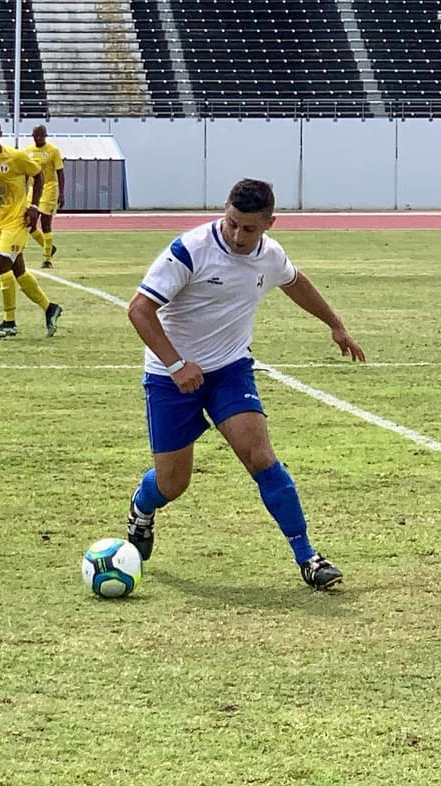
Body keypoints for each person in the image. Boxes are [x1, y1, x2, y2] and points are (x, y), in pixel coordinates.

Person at [125, 178, 366, 590]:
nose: (237, 235)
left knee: (261, 457)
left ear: (270, 223)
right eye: (232, 223)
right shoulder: (189, 250)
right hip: (171, 378)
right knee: (173, 483)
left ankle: (308, 558)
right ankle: (142, 509)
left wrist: (336, 325)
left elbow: (295, 282)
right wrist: (177, 363)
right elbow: (139, 310)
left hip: (230, 370)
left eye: (248, 228)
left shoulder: (269, 255)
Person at [0, 117, 62, 338]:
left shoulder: (16, 157)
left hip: (18, 220)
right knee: (18, 271)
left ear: (0, 132)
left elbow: (38, 175)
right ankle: (50, 308)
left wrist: (34, 206)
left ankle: (9, 322)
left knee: (1, 263)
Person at [26, 125, 65, 268]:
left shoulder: (53, 151)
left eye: (40, 135)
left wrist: (61, 192)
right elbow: (25, 173)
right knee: (29, 223)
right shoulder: (28, 152)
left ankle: (47, 259)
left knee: (45, 223)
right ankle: (49, 247)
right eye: (35, 135)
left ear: (45, 135)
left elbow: (60, 172)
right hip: (33, 189)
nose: (37, 138)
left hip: (49, 188)